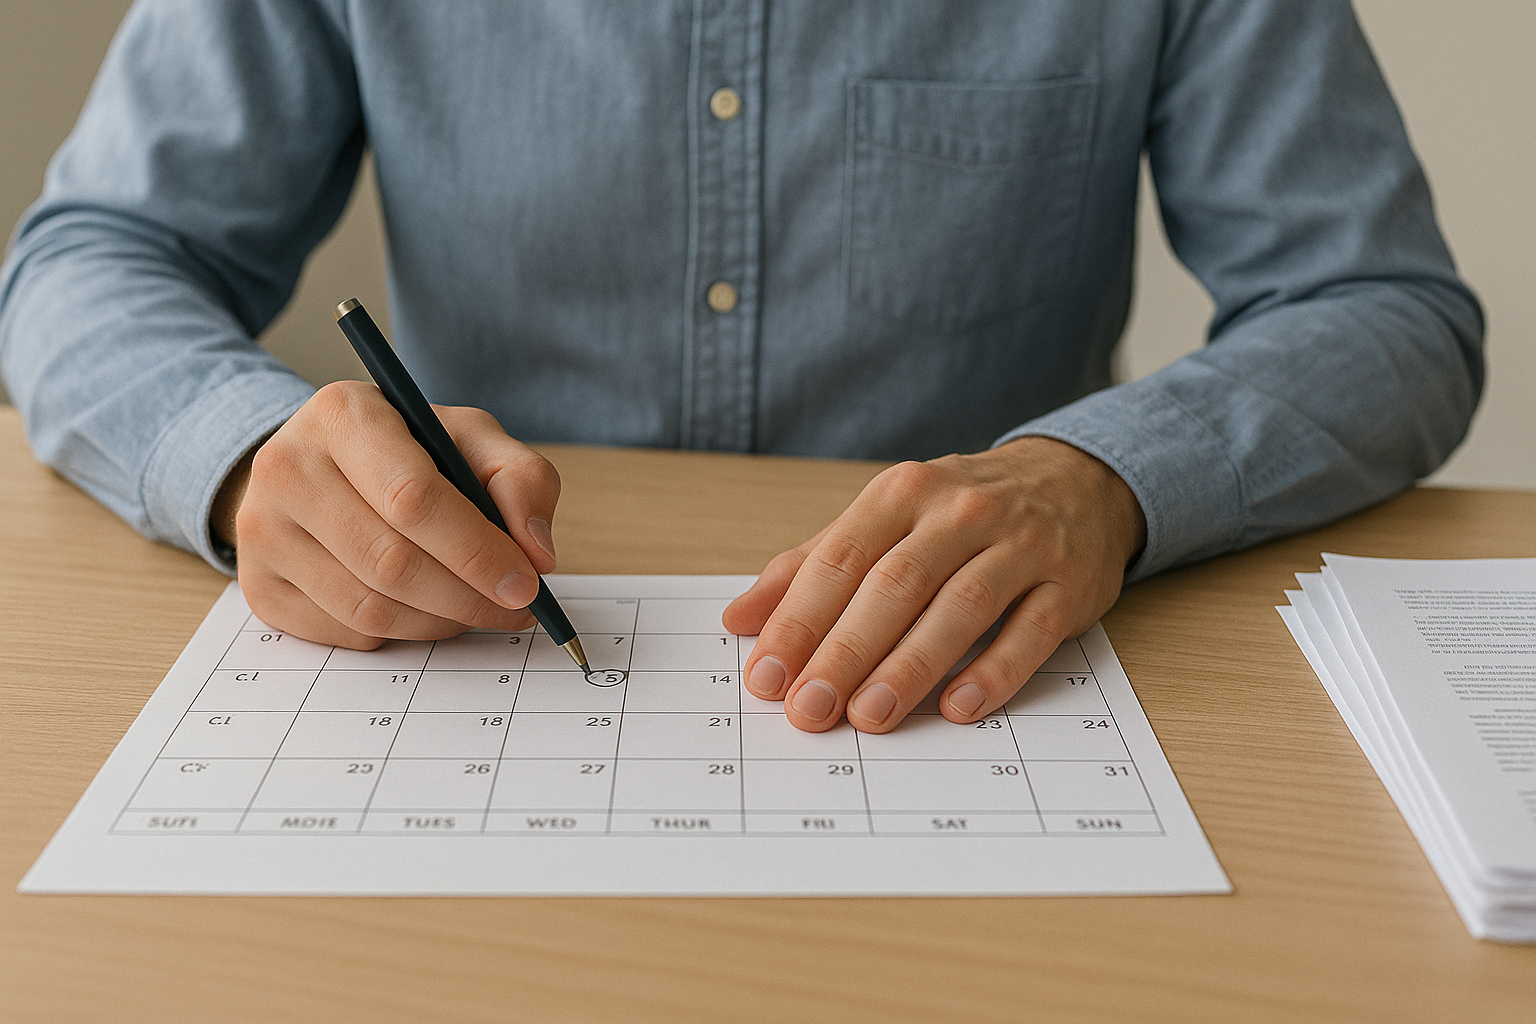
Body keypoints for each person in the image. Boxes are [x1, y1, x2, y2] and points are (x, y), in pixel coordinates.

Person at [0, 1, 1482, 736]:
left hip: (985, 707)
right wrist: (250, 454)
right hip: (469, 668)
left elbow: (1382, 306)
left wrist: (1103, 481)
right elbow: (88, 258)